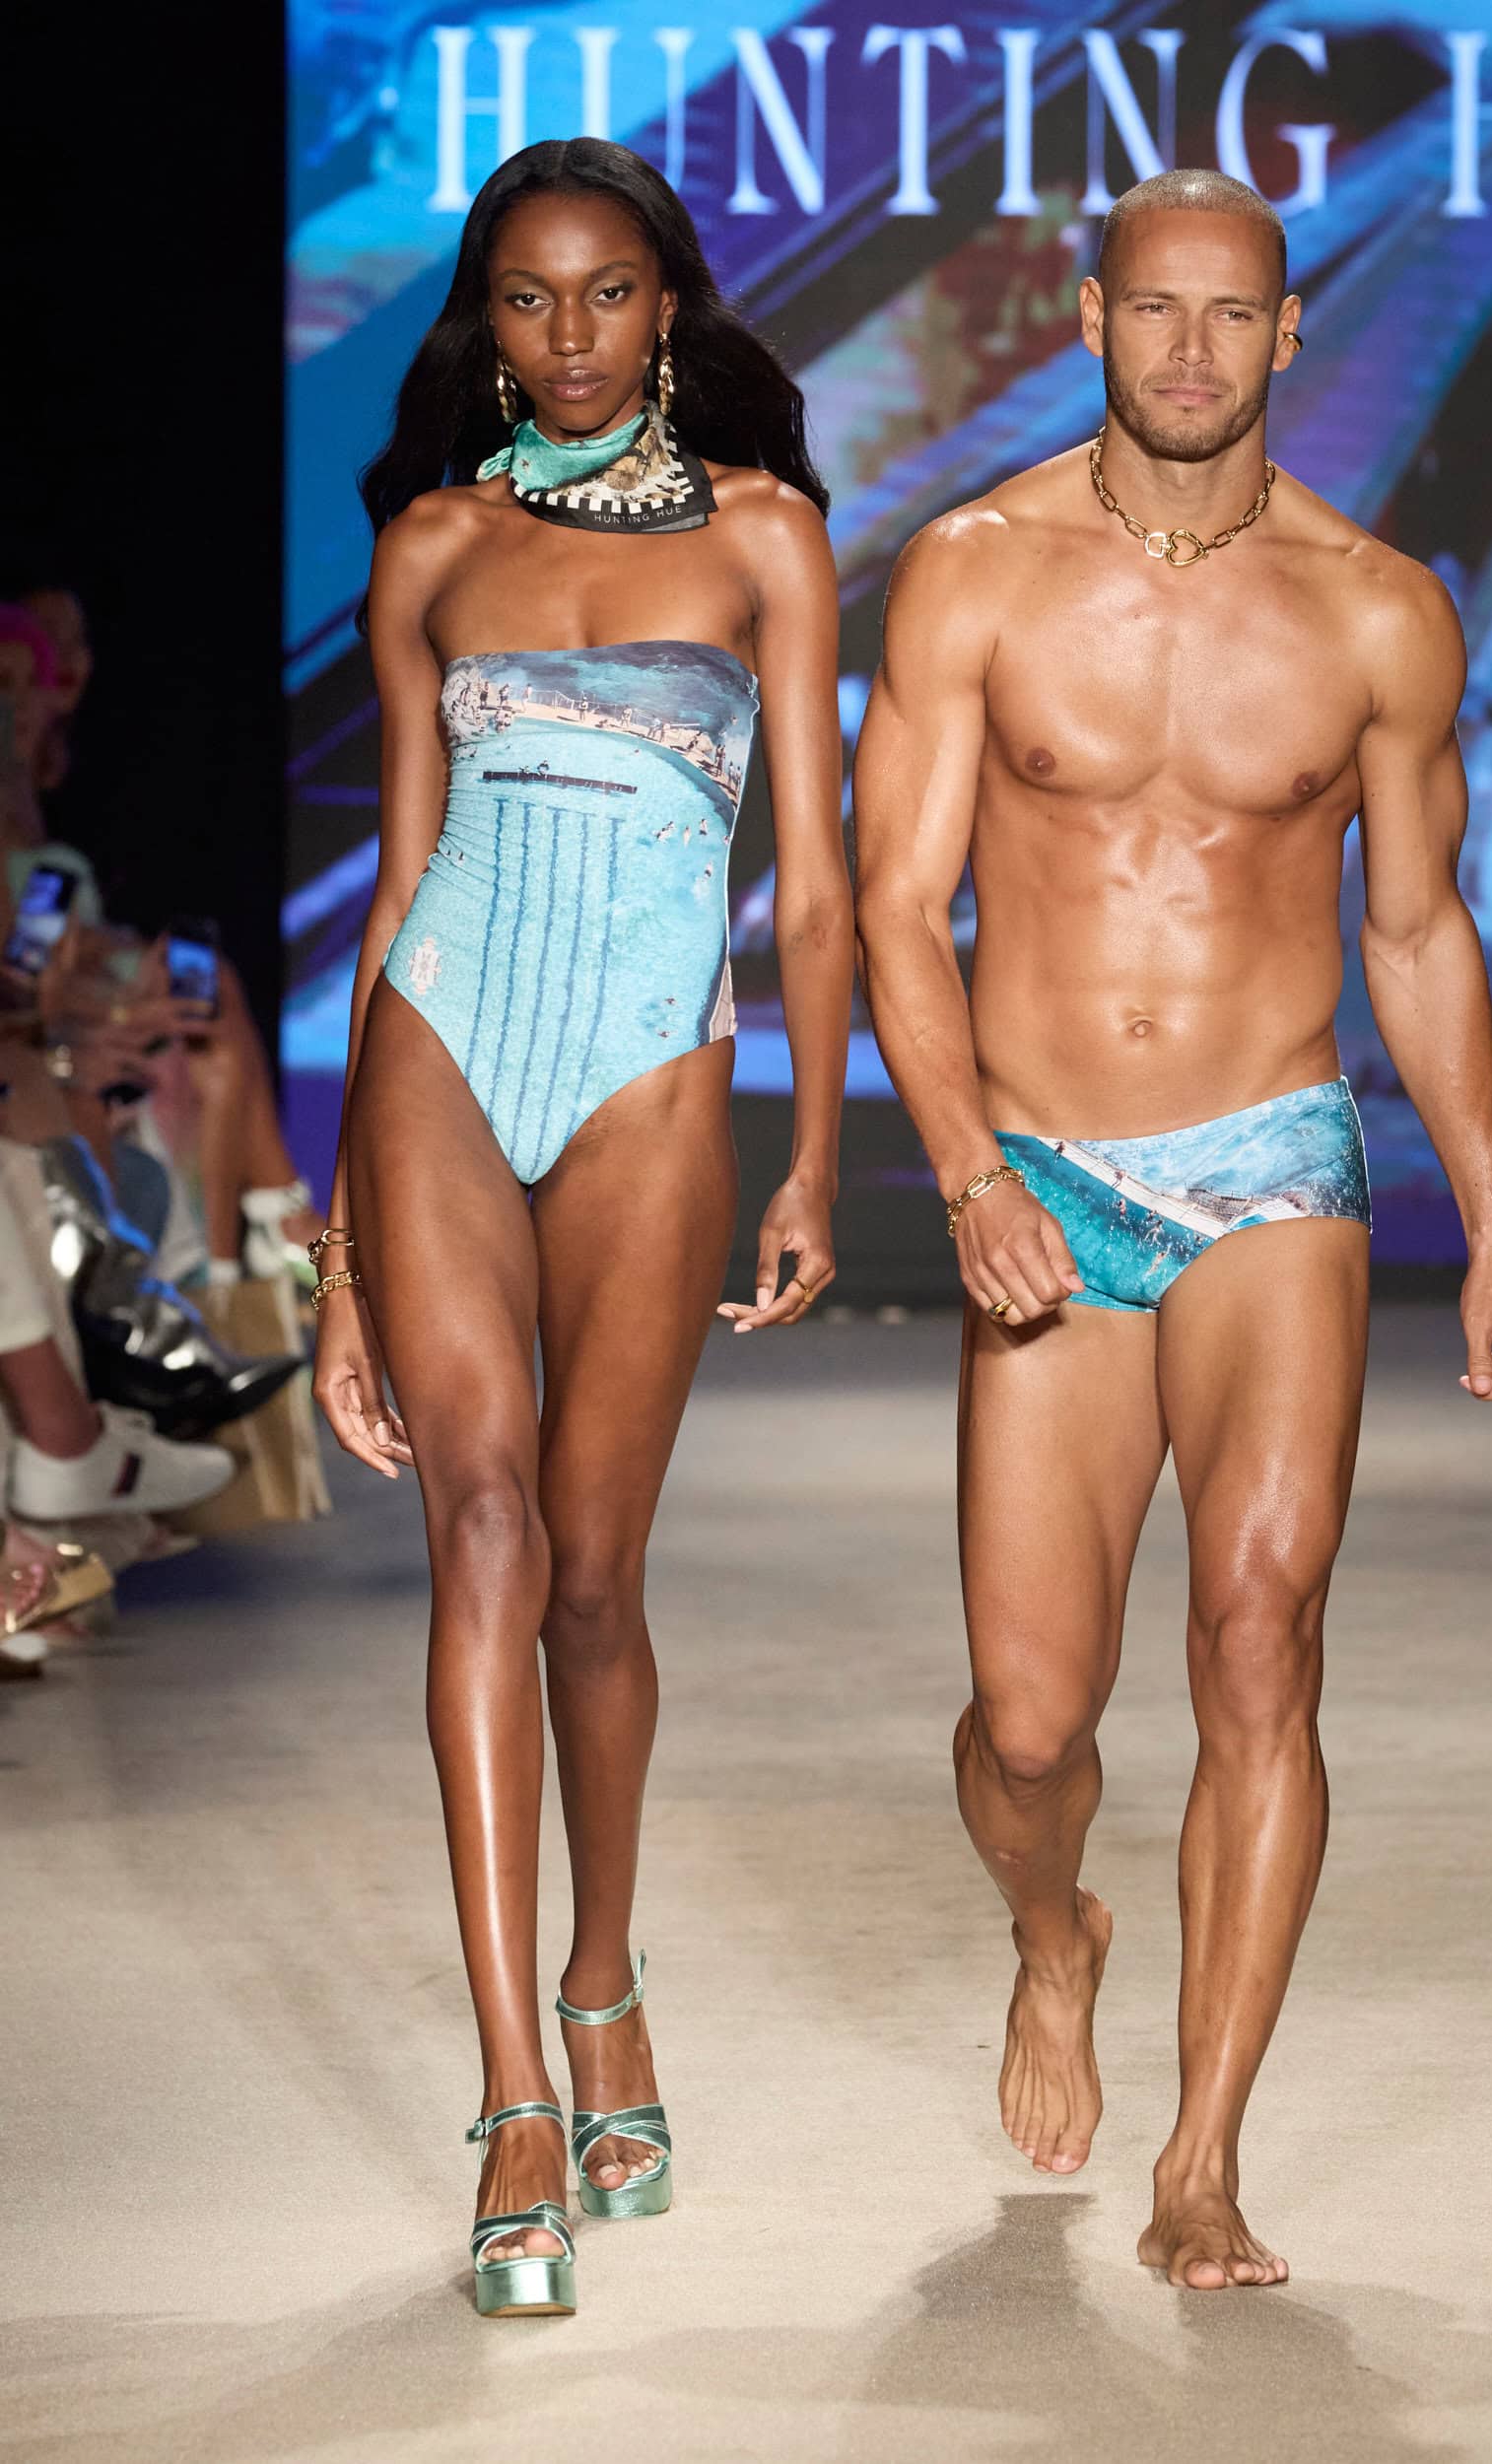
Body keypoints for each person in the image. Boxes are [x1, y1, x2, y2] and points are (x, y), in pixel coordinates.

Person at [853, 167, 1492, 2293]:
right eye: (1154, 309)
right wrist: (967, 1169)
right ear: (1088, 318)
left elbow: (1414, 932)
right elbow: (897, 906)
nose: (1189, 349)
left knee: (1262, 1630)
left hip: (1274, 1167)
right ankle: (1052, 1930)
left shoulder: (1379, 609)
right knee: (1030, 1723)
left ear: (1287, 334)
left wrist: (1490, 1222)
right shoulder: (972, 572)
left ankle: (1205, 2158)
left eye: (1232, 315)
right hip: (1044, 1168)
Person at [313, 137, 850, 2319]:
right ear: (488, 319)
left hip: (649, 1067)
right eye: (527, 299)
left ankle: (603, 1979)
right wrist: (338, 1255)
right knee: (484, 1529)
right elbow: (394, 888)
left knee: (598, 1580)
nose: (568, 336)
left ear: (668, 305)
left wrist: (816, 1154)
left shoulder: (769, 537)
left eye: (608, 294)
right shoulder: (431, 544)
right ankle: (517, 2098)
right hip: (445, 1035)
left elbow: (813, 890)